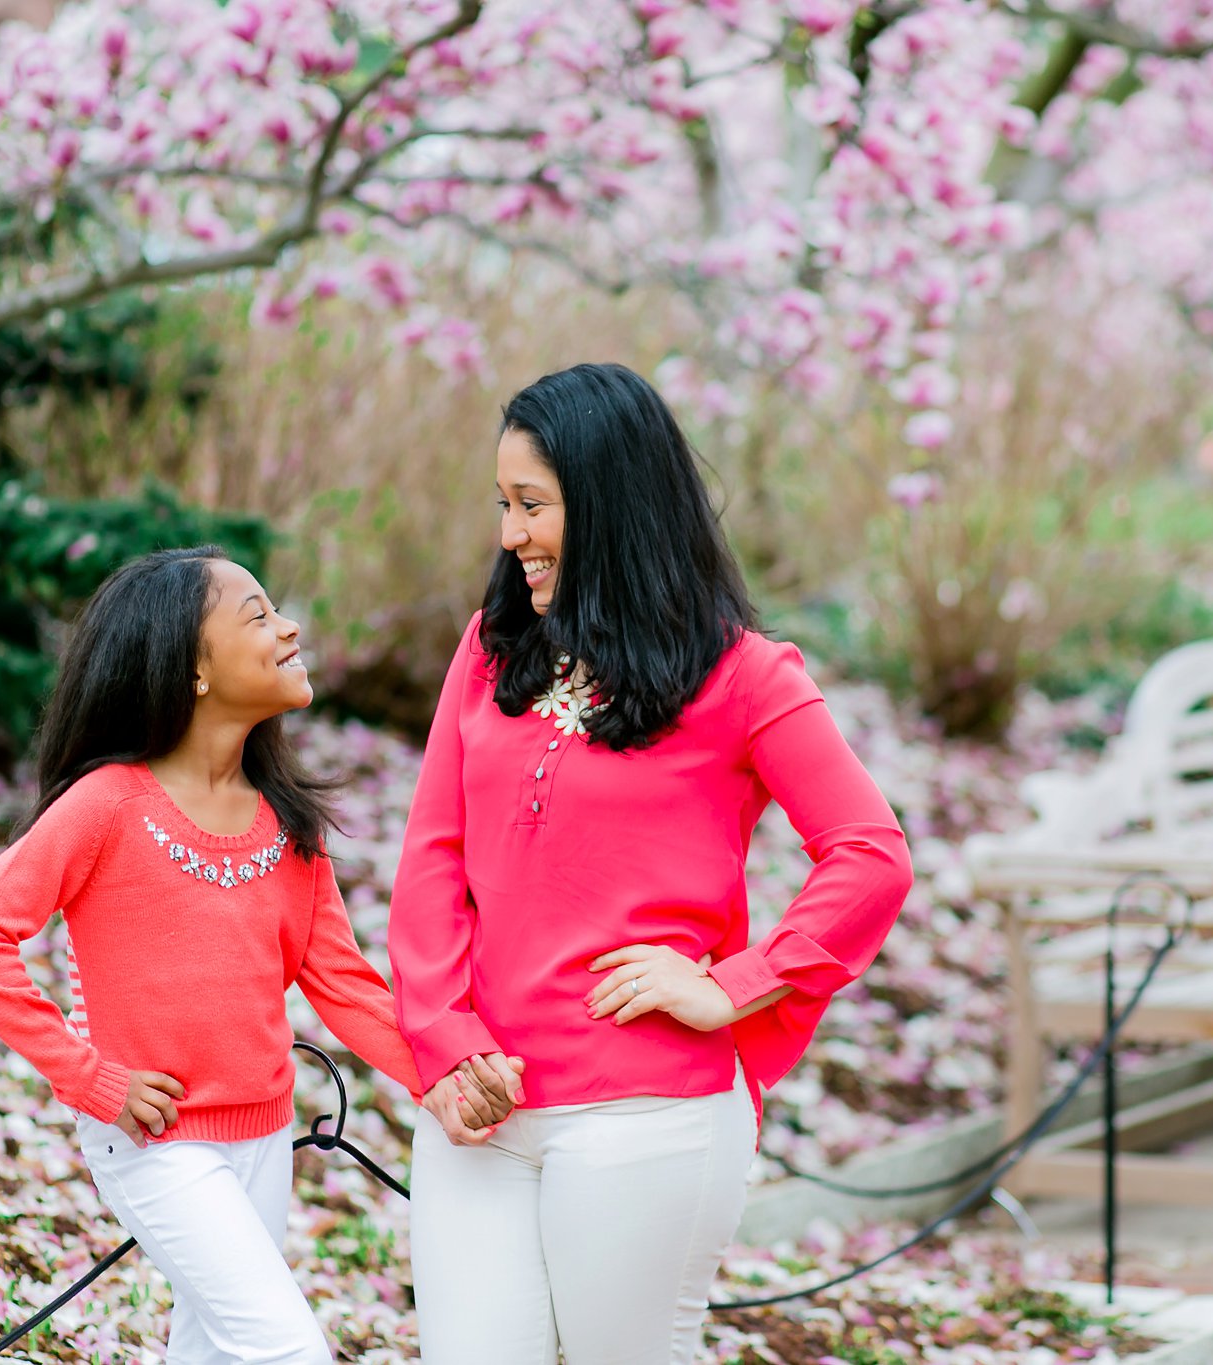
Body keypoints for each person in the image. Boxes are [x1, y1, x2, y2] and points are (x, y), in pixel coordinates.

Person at [390, 363, 915, 1364]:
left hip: (647, 1121)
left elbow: (869, 855)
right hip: (479, 1112)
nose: (508, 535)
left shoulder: (746, 676)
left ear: (611, 504)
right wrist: (447, 1045)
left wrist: (736, 985)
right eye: (501, 504)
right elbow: (431, 858)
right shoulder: (491, 649)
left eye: (532, 505)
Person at [0, 546, 512, 1365]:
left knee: (212, 1352)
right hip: (156, 1142)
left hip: (264, 1134)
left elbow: (346, 988)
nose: (290, 627)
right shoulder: (107, 805)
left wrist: (442, 1075)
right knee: (286, 1349)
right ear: (190, 666)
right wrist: (90, 1076)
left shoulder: (288, 822)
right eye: (259, 615)